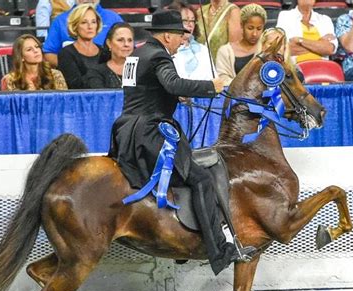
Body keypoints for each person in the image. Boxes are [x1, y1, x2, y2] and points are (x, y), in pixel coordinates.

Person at [108, 9, 256, 276]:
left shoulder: (136, 55)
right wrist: (212, 86)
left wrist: (175, 98)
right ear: (167, 36)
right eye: (179, 35)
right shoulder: (158, 56)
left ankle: (178, 239)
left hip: (126, 130)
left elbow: (147, 89)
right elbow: (173, 83)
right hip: (149, 133)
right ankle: (219, 250)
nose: (182, 40)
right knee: (201, 179)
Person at [43, 0, 123, 68]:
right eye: (84, 22)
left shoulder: (114, 18)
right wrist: (70, 67)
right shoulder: (60, 20)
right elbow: (49, 54)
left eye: (93, 22)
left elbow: (127, 48)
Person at [215, 3, 266, 86]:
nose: (255, 34)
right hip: (233, 96)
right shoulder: (225, 51)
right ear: (242, 25)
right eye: (250, 28)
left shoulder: (266, 49)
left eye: (259, 29)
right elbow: (222, 78)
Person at [57, 4, 101, 89]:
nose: (90, 26)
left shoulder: (104, 51)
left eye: (93, 22)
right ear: (75, 26)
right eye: (84, 22)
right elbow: (75, 85)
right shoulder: (66, 53)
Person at [168, 1, 215, 80]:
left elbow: (214, 80)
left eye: (192, 21)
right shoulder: (166, 50)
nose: (190, 24)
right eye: (185, 20)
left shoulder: (203, 50)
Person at [1, 34, 67, 91]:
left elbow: (64, 101)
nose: (36, 51)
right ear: (21, 57)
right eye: (29, 49)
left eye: (37, 47)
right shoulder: (10, 80)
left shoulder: (55, 75)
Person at [85, 23, 134, 89]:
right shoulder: (96, 72)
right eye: (120, 40)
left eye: (130, 40)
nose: (126, 44)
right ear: (109, 43)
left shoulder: (143, 70)